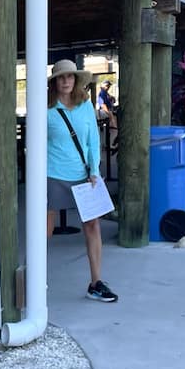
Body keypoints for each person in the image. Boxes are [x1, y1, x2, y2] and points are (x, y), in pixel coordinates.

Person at [47, 59, 118, 303]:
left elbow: (92, 141)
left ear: (76, 80)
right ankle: (34, 282)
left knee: (92, 225)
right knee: (44, 230)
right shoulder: (46, 108)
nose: (66, 81)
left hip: (83, 175)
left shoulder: (86, 105)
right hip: (53, 174)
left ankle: (96, 282)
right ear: (54, 82)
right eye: (61, 77)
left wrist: (94, 170)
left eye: (70, 76)